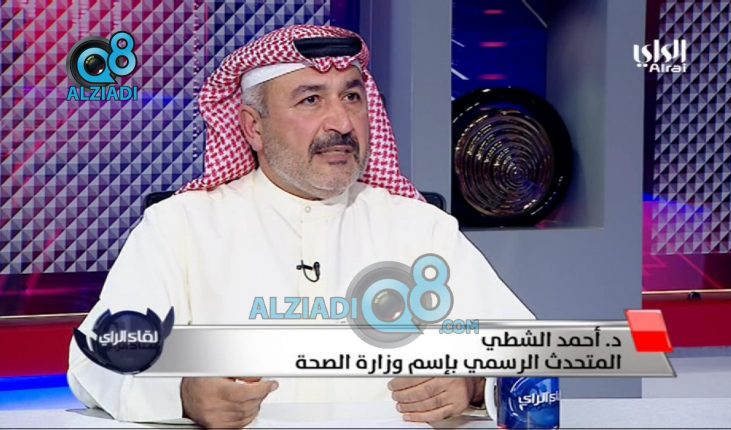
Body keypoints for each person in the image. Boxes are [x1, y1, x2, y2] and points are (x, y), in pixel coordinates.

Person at [67, 25, 534, 428]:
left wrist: (473, 383)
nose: (342, 122)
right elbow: (95, 361)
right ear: (253, 128)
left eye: (352, 97)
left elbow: (526, 350)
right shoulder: (182, 225)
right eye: (311, 100)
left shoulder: (420, 227)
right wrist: (183, 394)